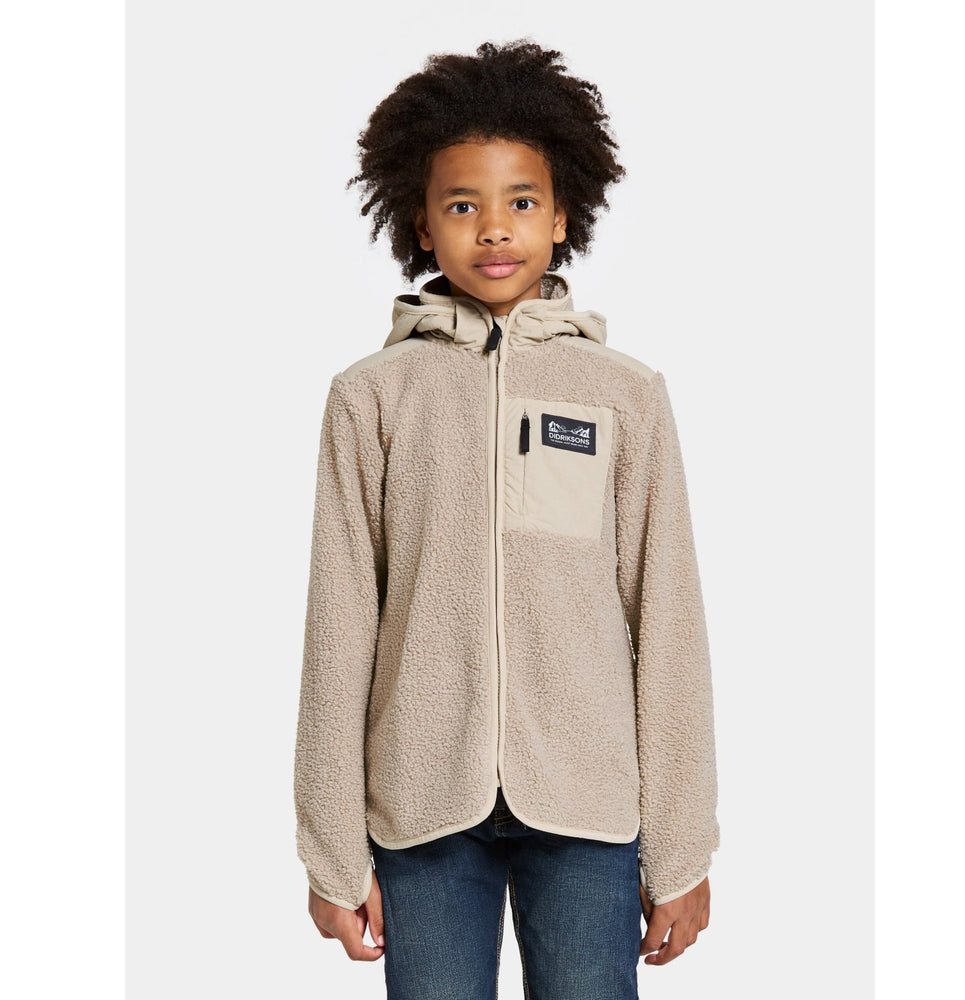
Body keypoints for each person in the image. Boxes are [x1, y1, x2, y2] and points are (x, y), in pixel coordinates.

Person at [294, 39, 721, 1000]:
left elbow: (668, 620)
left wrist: (683, 847)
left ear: (563, 215)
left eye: (522, 202)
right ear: (420, 221)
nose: (495, 228)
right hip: (420, 805)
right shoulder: (371, 397)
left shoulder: (625, 395)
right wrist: (330, 850)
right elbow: (339, 624)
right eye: (462, 206)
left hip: (588, 806)